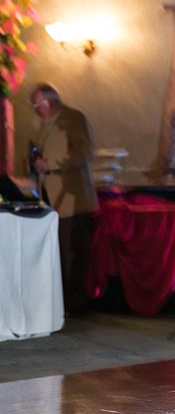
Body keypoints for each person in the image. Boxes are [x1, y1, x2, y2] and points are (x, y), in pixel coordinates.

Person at [28, 83, 98, 314]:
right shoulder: (46, 126)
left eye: (38, 103)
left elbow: (83, 152)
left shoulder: (73, 119)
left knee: (73, 253)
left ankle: (74, 304)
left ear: (50, 101)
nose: (36, 109)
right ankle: (61, 301)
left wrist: (52, 164)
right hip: (54, 199)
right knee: (61, 251)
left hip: (74, 199)